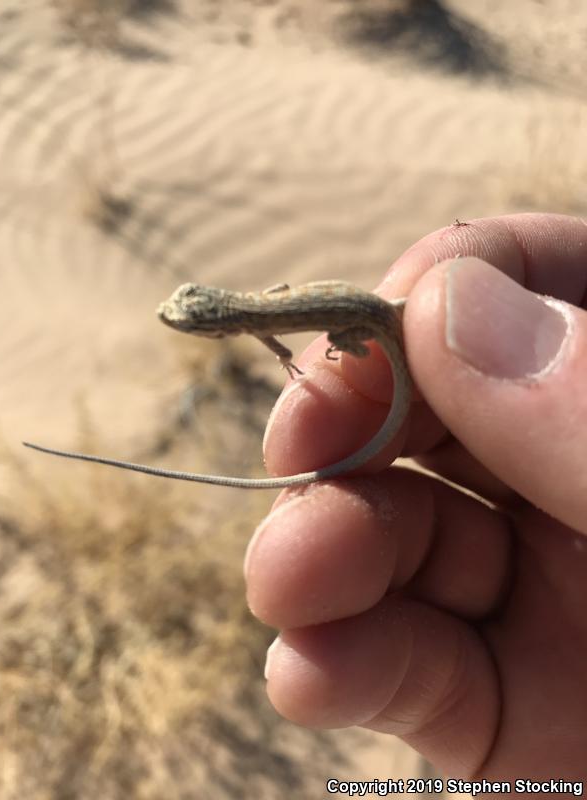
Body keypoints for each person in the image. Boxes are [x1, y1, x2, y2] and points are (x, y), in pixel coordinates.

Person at [244, 213, 587, 780]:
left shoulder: (254, 325)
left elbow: (281, 323)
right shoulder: (254, 308)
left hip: (375, 322)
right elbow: (280, 298)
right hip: (366, 315)